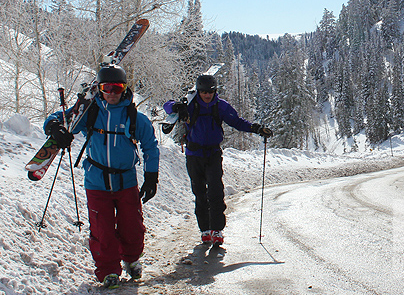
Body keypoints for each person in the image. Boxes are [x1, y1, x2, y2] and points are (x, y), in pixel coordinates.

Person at [44, 64, 160, 289]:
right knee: (102, 228)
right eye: (107, 88)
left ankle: (132, 259)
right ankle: (108, 270)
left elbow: (150, 147)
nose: (112, 93)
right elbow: (57, 119)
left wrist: (151, 176)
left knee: (132, 226)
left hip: (126, 181)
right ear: (99, 89)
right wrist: (55, 127)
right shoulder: (89, 111)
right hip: (96, 181)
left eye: (118, 88)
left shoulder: (134, 116)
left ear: (125, 88)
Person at [163, 74, 272, 246]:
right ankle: (205, 230)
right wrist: (177, 106)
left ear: (215, 91)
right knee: (199, 193)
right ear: (198, 91)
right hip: (194, 155)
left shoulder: (221, 107)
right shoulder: (190, 104)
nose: (207, 95)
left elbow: (237, 122)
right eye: (204, 92)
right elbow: (167, 106)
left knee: (215, 192)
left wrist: (256, 128)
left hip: (213, 154)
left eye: (211, 92)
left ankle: (217, 230)